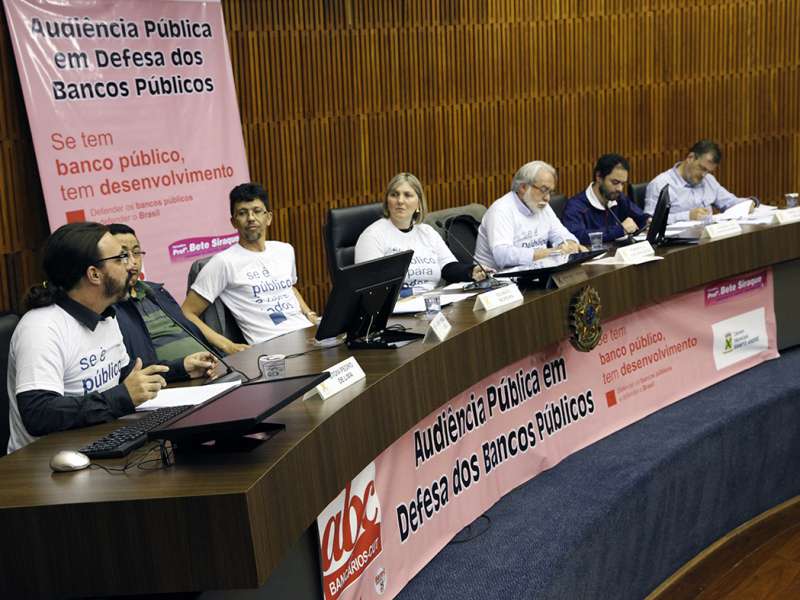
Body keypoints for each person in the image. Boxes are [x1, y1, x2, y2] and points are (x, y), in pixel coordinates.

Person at [6, 222, 169, 453]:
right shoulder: (41, 328)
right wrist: (121, 397)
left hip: (104, 445)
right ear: (94, 274)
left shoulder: (105, 315)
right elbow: (38, 413)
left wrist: (173, 370)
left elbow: (122, 377)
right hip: (47, 467)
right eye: (120, 258)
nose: (131, 265)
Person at [182, 183, 318, 353]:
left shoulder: (285, 250)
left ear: (268, 217)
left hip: (309, 335)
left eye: (257, 211)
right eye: (242, 213)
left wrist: (309, 314)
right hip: (273, 348)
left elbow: (289, 286)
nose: (251, 218)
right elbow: (187, 313)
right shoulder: (223, 262)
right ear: (233, 222)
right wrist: (227, 345)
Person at [109, 224, 217, 382]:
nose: (133, 261)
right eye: (123, 254)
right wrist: (182, 367)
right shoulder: (109, 308)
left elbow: (190, 331)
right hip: (173, 382)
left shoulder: (155, 292)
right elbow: (133, 370)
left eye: (136, 252)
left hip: (208, 370)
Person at [354, 172, 487, 293]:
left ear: (418, 203)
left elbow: (448, 267)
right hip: (395, 311)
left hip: (431, 304)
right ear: (387, 201)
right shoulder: (372, 236)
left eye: (407, 195)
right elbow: (371, 288)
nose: (400, 200)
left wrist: (471, 271)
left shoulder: (427, 232)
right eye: (394, 194)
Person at [474, 161, 585, 270]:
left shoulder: (542, 206)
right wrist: (552, 252)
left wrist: (571, 244)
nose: (547, 198)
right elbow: (503, 256)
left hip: (536, 273)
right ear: (523, 187)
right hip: (497, 281)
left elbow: (562, 234)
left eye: (550, 192)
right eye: (543, 190)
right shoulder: (501, 210)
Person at [644, 139, 754, 224]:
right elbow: (650, 222)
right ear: (690, 157)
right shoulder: (660, 184)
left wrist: (750, 203)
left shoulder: (709, 180)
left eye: (708, 171)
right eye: (702, 168)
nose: (703, 175)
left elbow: (730, 202)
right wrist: (687, 216)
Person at [562, 154, 649, 245]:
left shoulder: (618, 197)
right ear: (599, 177)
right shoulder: (575, 206)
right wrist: (619, 230)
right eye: (615, 182)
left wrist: (648, 221)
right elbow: (578, 236)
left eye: (623, 184)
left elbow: (640, 217)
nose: (620, 188)